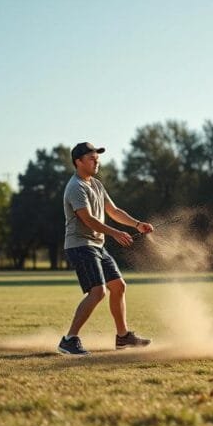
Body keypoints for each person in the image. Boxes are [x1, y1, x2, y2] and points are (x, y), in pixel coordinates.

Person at [58, 142, 154, 356]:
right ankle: (69, 339)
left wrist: (137, 224)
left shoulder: (96, 184)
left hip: (96, 246)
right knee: (98, 291)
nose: (96, 162)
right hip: (80, 245)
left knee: (118, 286)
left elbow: (114, 210)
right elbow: (88, 219)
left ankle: (122, 337)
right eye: (91, 159)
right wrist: (115, 233)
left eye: (97, 159)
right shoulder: (76, 187)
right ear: (78, 162)